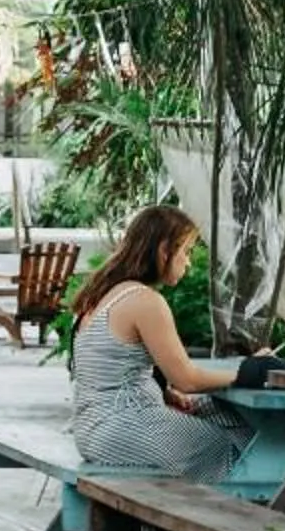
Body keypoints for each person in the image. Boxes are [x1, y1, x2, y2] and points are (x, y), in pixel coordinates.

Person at [66, 205, 255, 479]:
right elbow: (187, 380)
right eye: (186, 252)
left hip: (93, 427)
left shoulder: (99, 295)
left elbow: (110, 369)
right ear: (164, 250)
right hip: (123, 426)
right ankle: (228, 517)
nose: (188, 262)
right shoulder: (144, 301)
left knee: (222, 414)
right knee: (236, 449)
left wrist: (165, 394)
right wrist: (249, 372)